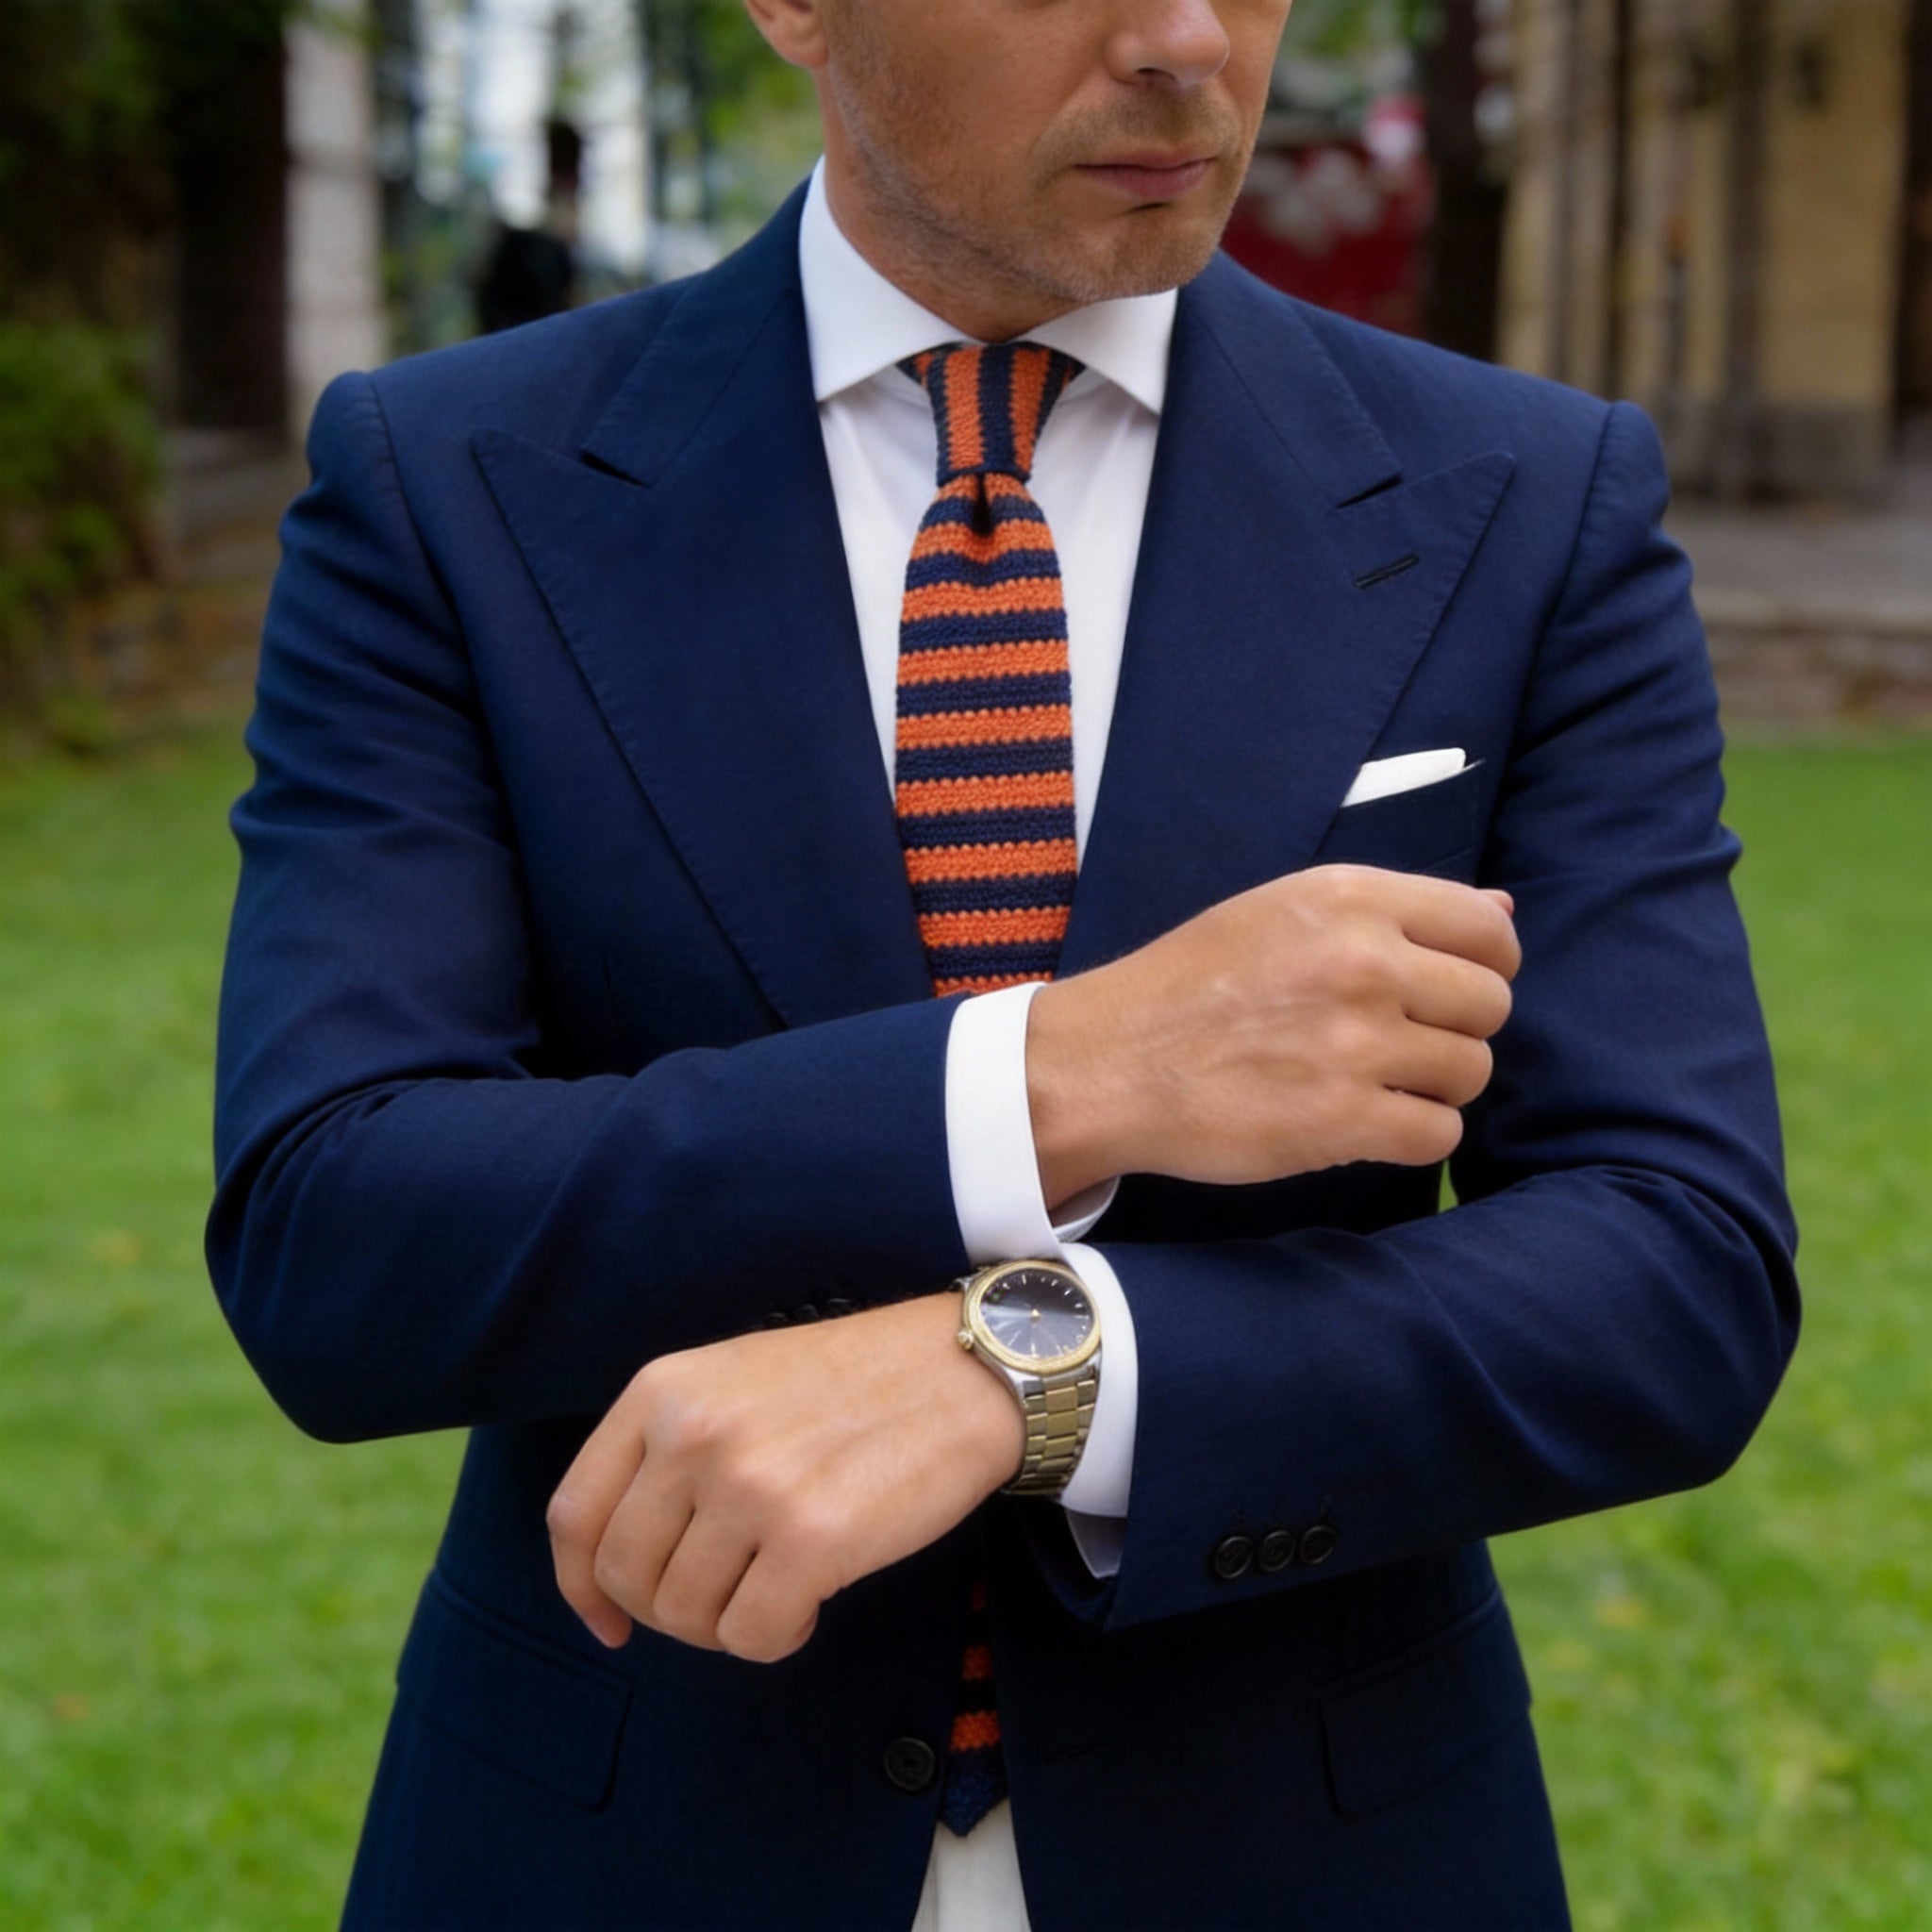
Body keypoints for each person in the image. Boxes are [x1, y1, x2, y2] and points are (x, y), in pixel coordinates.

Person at [206, 1, 1799, 1926]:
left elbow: (1674, 1265)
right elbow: (336, 1230)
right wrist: (1053, 1078)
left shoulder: (1528, 502)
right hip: (629, 1839)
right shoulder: (450, 483)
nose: (1186, 36)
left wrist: (1030, 1373)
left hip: (1309, 1849)